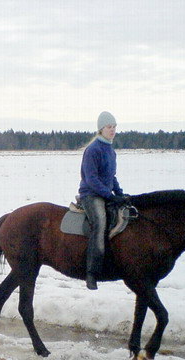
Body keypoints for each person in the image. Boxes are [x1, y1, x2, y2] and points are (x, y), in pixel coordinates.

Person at [78, 111, 127, 290]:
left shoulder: (110, 150)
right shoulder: (93, 150)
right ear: (101, 129)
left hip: (105, 193)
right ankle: (91, 272)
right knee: (100, 223)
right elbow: (91, 179)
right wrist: (109, 195)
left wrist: (120, 194)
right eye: (109, 127)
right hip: (90, 195)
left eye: (114, 127)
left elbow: (111, 176)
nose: (112, 130)